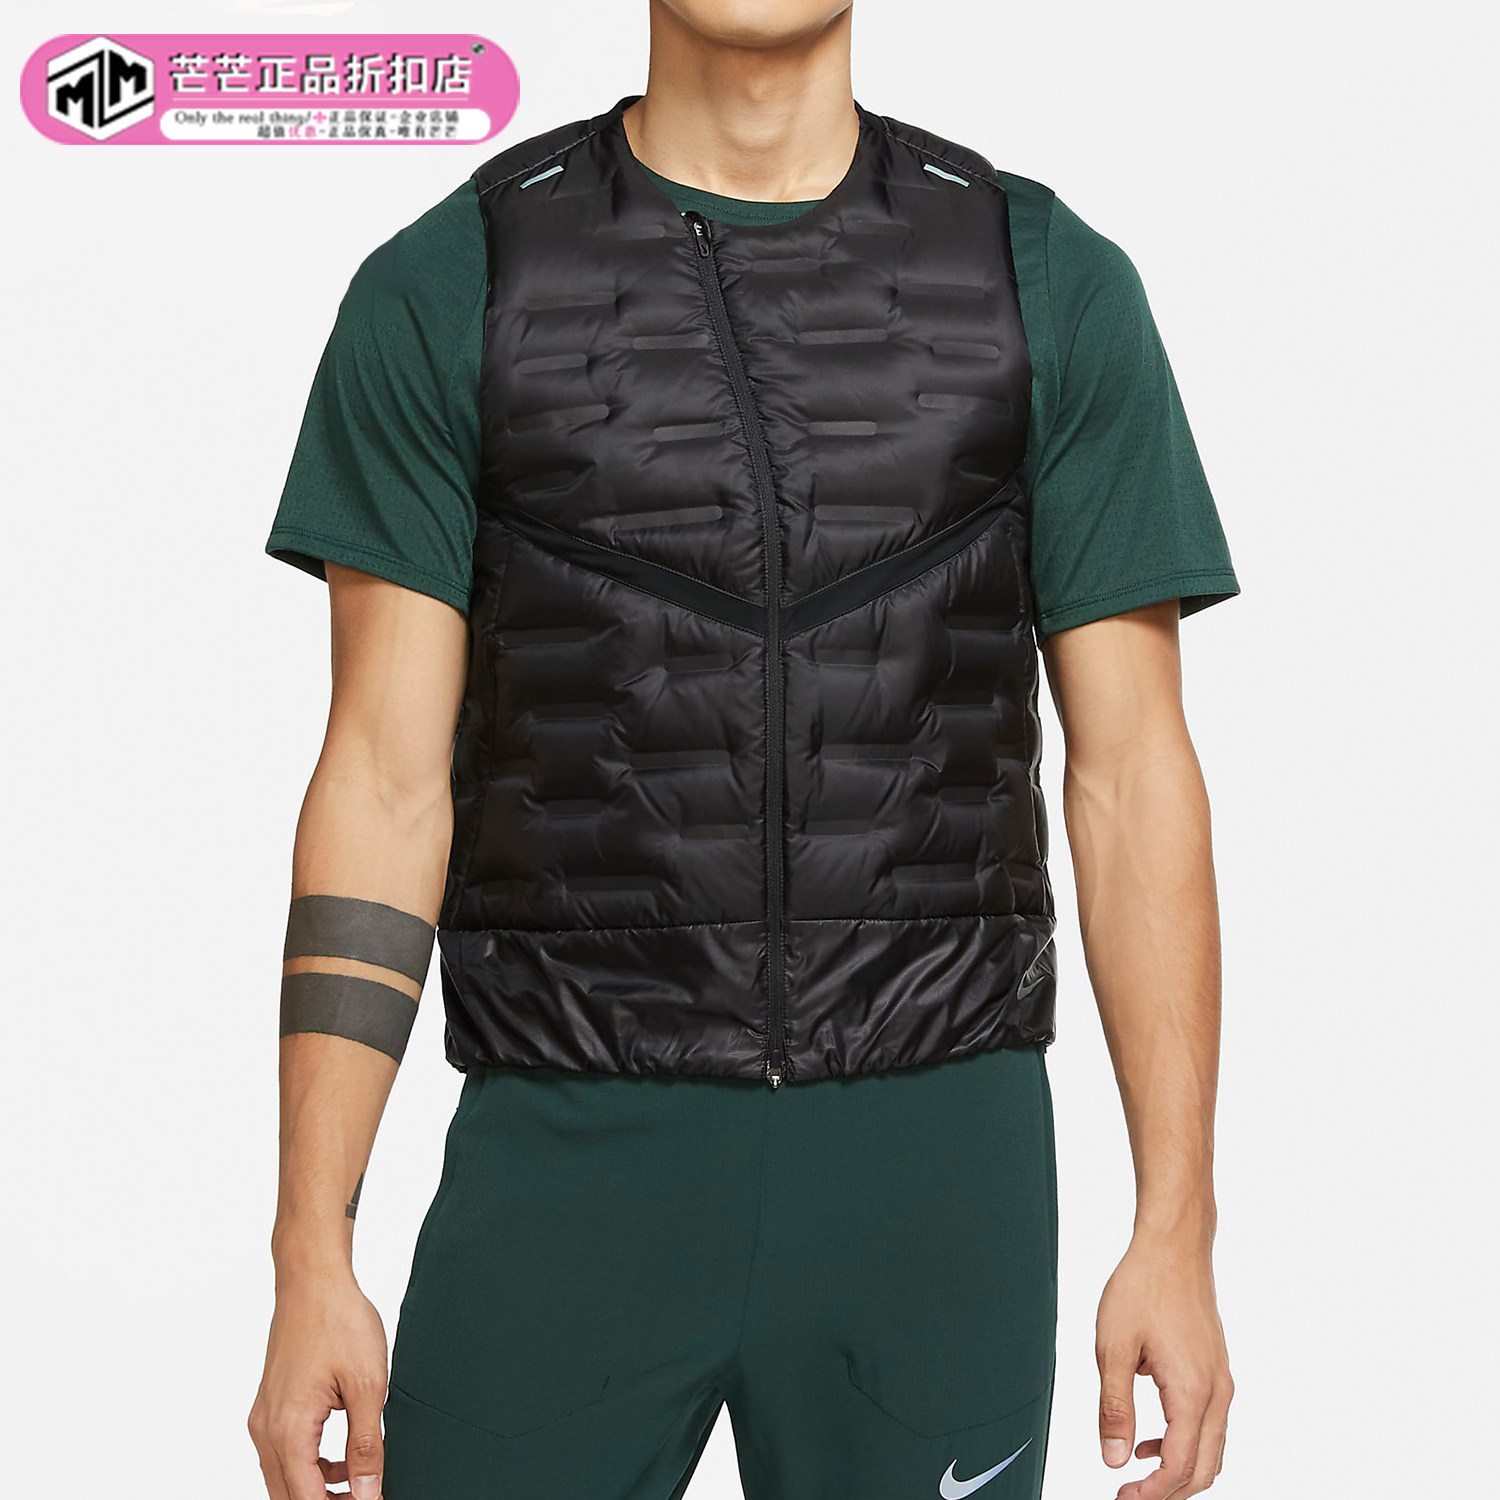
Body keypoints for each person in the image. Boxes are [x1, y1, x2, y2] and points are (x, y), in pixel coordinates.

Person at [248, 4, 1238, 1498]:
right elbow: (382, 783)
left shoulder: (1042, 281)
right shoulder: (452, 283)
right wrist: (308, 1249)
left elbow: (1132, 774)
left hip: (934, 1161)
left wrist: (1177, 1225)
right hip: (569, 1151)